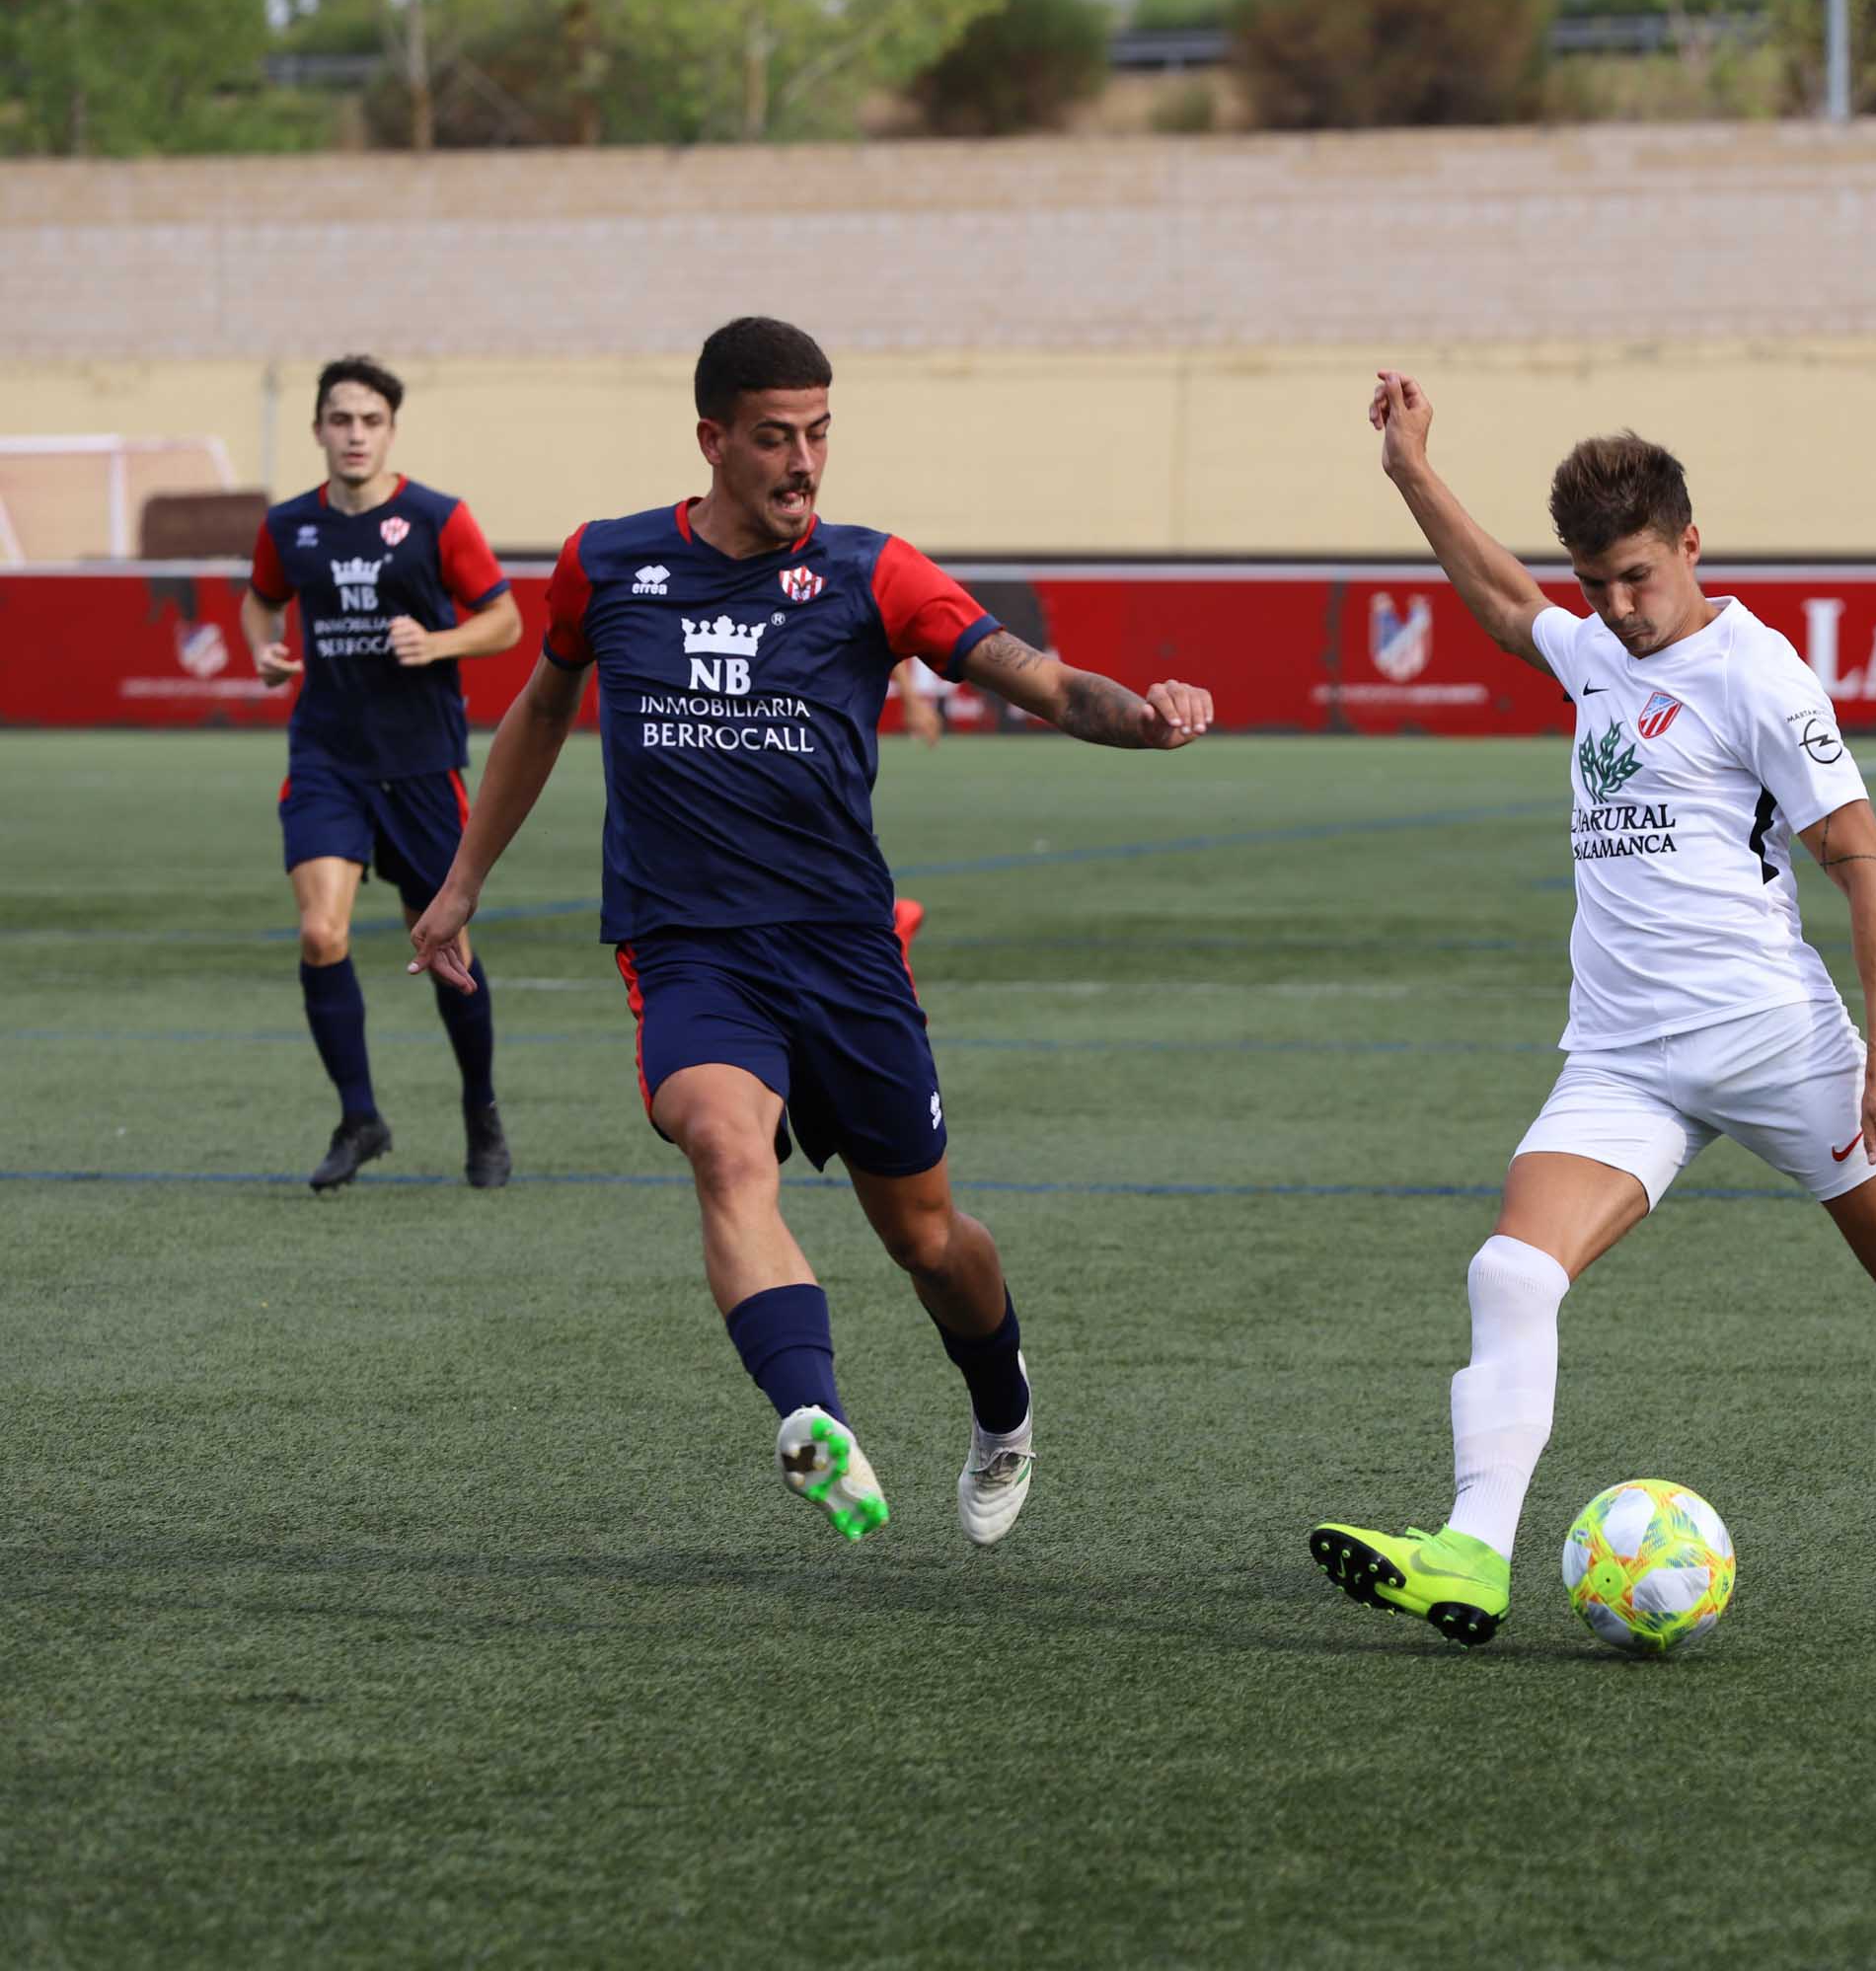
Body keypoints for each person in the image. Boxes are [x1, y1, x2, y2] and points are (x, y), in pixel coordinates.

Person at [1310, 371, 1876, 1645]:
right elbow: (1511, 606)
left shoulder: (1759, 677)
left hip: (1777, 1041)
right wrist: (1408, 471)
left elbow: (1868, 869)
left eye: (1635, 578)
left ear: (1689, 541)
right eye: (1595, 583)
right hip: (1621, 1059)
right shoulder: (1596, 647)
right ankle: (1471, 1553)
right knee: (1510, 1270)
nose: (1614, 610)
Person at [406, 317, 1214, 1545]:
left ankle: (1003, 1409)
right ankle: (812, 1416)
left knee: (931, 1241)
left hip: (844, 955)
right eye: (777, 437)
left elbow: (1039, 679)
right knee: (729, 1151)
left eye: (821, 433)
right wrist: (464, 878)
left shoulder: (870, 571)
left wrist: (1142, 718)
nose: (804, 462)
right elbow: (535, 711)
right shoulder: (607, 564)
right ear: (712, 439)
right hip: (691, 951)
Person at [242, 355, 524, 1192]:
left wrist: (436, 644)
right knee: (321, 934)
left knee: (443, 948)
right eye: (340, 420)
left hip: (422, 766)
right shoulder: (290, 525)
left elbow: (505, 620)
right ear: (319, 430)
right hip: (327, 758)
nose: (354, 434)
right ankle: (359, 1117)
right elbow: (260, 595)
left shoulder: (438, 518)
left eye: (369, 421)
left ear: (390, 430)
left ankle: (480, 1109)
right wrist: (263, 646)